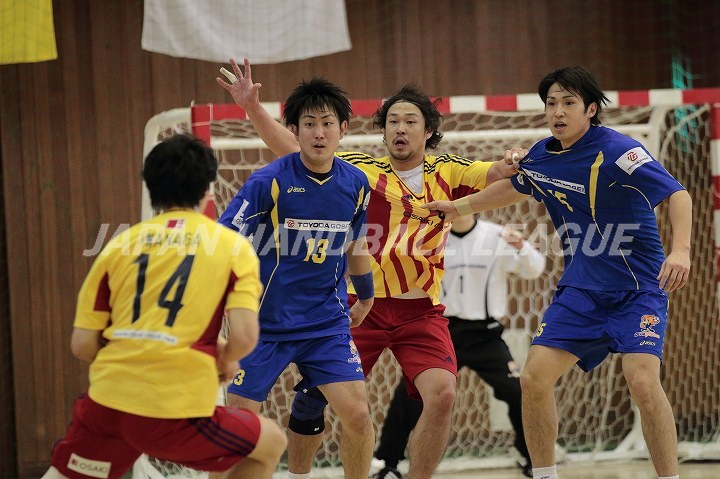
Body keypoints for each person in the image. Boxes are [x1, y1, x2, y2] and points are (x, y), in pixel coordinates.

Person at [216, 58, 521, 479]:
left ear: (428, 130)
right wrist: (252, 108)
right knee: (310, 400)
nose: (400, 129)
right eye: (392, 121)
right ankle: (298, 470)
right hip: (359, 307)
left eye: (410, 121)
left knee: (441, 395)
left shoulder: (449, 171)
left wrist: (514, 162)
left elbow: (505, 176)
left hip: (418, 310)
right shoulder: (361, 171)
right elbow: (298, 149)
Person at [423, 66, 692, 479]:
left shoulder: (619, 150)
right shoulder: (542, 156)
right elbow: (513, 187)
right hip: (580, 292)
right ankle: (545, 475)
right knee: (533, 379)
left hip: (637, 290)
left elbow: (678, 193)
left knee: (641, 382)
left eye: (568, 102)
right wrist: (456, 207)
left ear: (590, 109)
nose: (558, 111)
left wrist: (681, 251)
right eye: (551, 103)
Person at [41, 134, 286, 479]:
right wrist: (224, 357)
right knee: (271, 442)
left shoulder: (118, 246)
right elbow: (245, 339)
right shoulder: (231, 247)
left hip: (109, 402)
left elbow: (82, 344)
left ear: (150, 187)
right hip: (175, 408)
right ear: (207, 190)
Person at [216, 77, 376, 479]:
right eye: (309, 124)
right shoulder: (268, 181)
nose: (319, 133)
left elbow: (356, 244)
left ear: (343, 129)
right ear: (294, 130)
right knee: (238, 429)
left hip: (325, 324)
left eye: (327, 123)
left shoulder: (356, 183)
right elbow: (221, 242)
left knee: (358, 415)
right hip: (263, 326)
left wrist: (366, 295)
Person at [372, 215, 545, 479]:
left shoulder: (496, 236)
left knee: (516, 391)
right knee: (410, 394)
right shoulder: (430, 237)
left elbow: (534, 270)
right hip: (441, 331)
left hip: (485, 335)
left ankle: (531, 457)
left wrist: (522, 246)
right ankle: (388, 462)